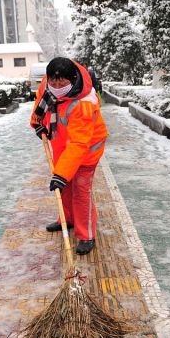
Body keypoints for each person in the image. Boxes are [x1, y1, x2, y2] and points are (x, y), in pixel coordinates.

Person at [29, 57, 108, 255]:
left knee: (80, 191)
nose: (56, 87)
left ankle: (86, 235)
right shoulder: (49, 86)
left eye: (61, 83)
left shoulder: (83, 103)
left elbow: (79, 143)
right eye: (53, 82)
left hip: (86, 150)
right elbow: (41, 98)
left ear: (72, 80)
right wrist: (37, 122)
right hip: (62, 145)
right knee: (63, 189)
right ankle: (68, 219)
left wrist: (61, 174)